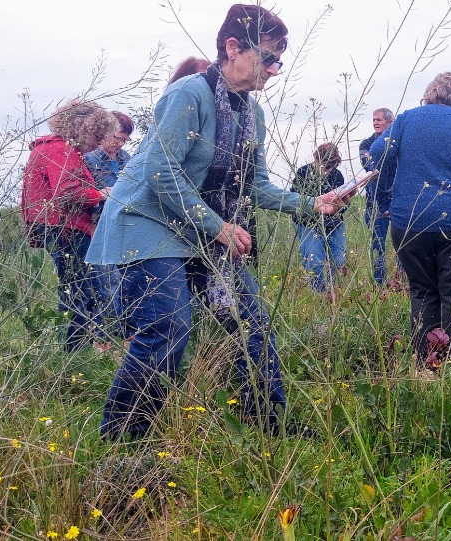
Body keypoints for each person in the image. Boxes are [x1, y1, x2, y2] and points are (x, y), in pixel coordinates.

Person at [87, 4, 349, 439]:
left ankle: (269, 424)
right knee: (168, 325)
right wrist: (220, 228)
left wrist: (311, 204)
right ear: (233, 47)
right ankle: (122, 440)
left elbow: (257, 186)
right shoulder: (190, 93)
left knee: (250, 321)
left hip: (200, 227)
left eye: (278, 61)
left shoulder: (252, 114)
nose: (274, 70)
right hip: (148, 220)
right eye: (268, 57)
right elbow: (160, 172)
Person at [370, 72, 451, 366]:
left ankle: (424, 363)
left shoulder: (405, 121)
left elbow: (377, 155)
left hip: (408, 220)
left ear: (430, 94)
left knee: (422, 292)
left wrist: (386, 200)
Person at [20, 100, 116, 352]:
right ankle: (73, 353)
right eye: (96, 134)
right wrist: (102, 194)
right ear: (83, 128)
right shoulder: (60, 150)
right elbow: (68, 192)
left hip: (61, 226)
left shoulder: (54, 148)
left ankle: (73, 353)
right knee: (78, 293)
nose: (98, 142)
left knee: (77, 290)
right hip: (66, 228)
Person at [84, 110, 135, 341]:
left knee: (127, 281)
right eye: (116, 137)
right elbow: (84, 196)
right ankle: (105, 337)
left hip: (127, 227)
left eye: (124, 139)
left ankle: (124, 335)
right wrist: (102, 194)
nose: (119, 143)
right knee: (107, 283)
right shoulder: (89, 159)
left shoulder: (127, 159)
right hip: (99, 228)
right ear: (104, 133)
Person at [291, 143, 348, 297]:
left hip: (334, 223)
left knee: (339, 260)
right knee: (314, 261)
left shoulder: (337, 176)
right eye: (324, 165)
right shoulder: (303, 172)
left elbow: (343, 204)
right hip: (308, 223)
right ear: (317, 159)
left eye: (330, 166)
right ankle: (319, 295)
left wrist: (343, 204)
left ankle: (333, 291)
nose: (327, 169)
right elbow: (294, 201)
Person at [359, 107, 395, 285]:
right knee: (378, 244)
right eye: (373, 120)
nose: (375, 123)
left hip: (398, 201)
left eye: (378, 120)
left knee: (402, 244)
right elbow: (371, 167)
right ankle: (379, 283)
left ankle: (401, 280)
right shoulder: (366, 144)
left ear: (390, 121)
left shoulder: (399, 142)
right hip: (375, 202)